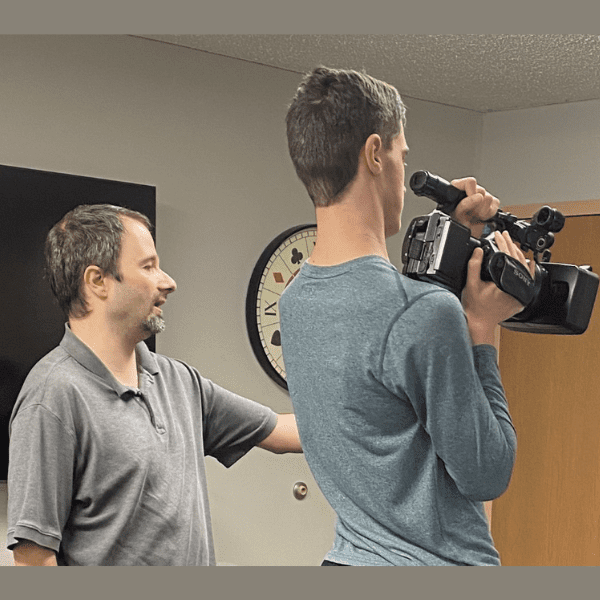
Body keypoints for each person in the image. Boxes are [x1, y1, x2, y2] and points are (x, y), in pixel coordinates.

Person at [279, 66, 536, 566]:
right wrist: (483, 330)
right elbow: (488, 472)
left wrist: (455, 237)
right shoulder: (421, 312)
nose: (400, 168)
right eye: (401, 154)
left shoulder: (296, 302)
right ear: (375, 154)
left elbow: (388, 336)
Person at [7, 204, 302, 566]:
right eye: (148, 267)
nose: (168, 282)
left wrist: (381, 411)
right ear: (97, 281)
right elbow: (33, 560)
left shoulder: (180, 382)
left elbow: (284, 431)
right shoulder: (52, 396)